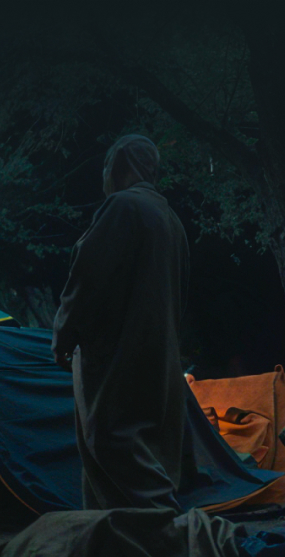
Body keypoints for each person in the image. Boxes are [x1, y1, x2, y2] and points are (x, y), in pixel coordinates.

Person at [51, 134, 189, 511]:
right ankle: (114, 554)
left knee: (113, 445)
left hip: (116, 359)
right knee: (131, 459)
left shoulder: (122, 207)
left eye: (107, 168)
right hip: (161, 362)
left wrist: (65, 334)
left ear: (122, 164)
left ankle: (173, 545)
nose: (104, 178)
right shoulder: (170, 220)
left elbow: (86, 279)